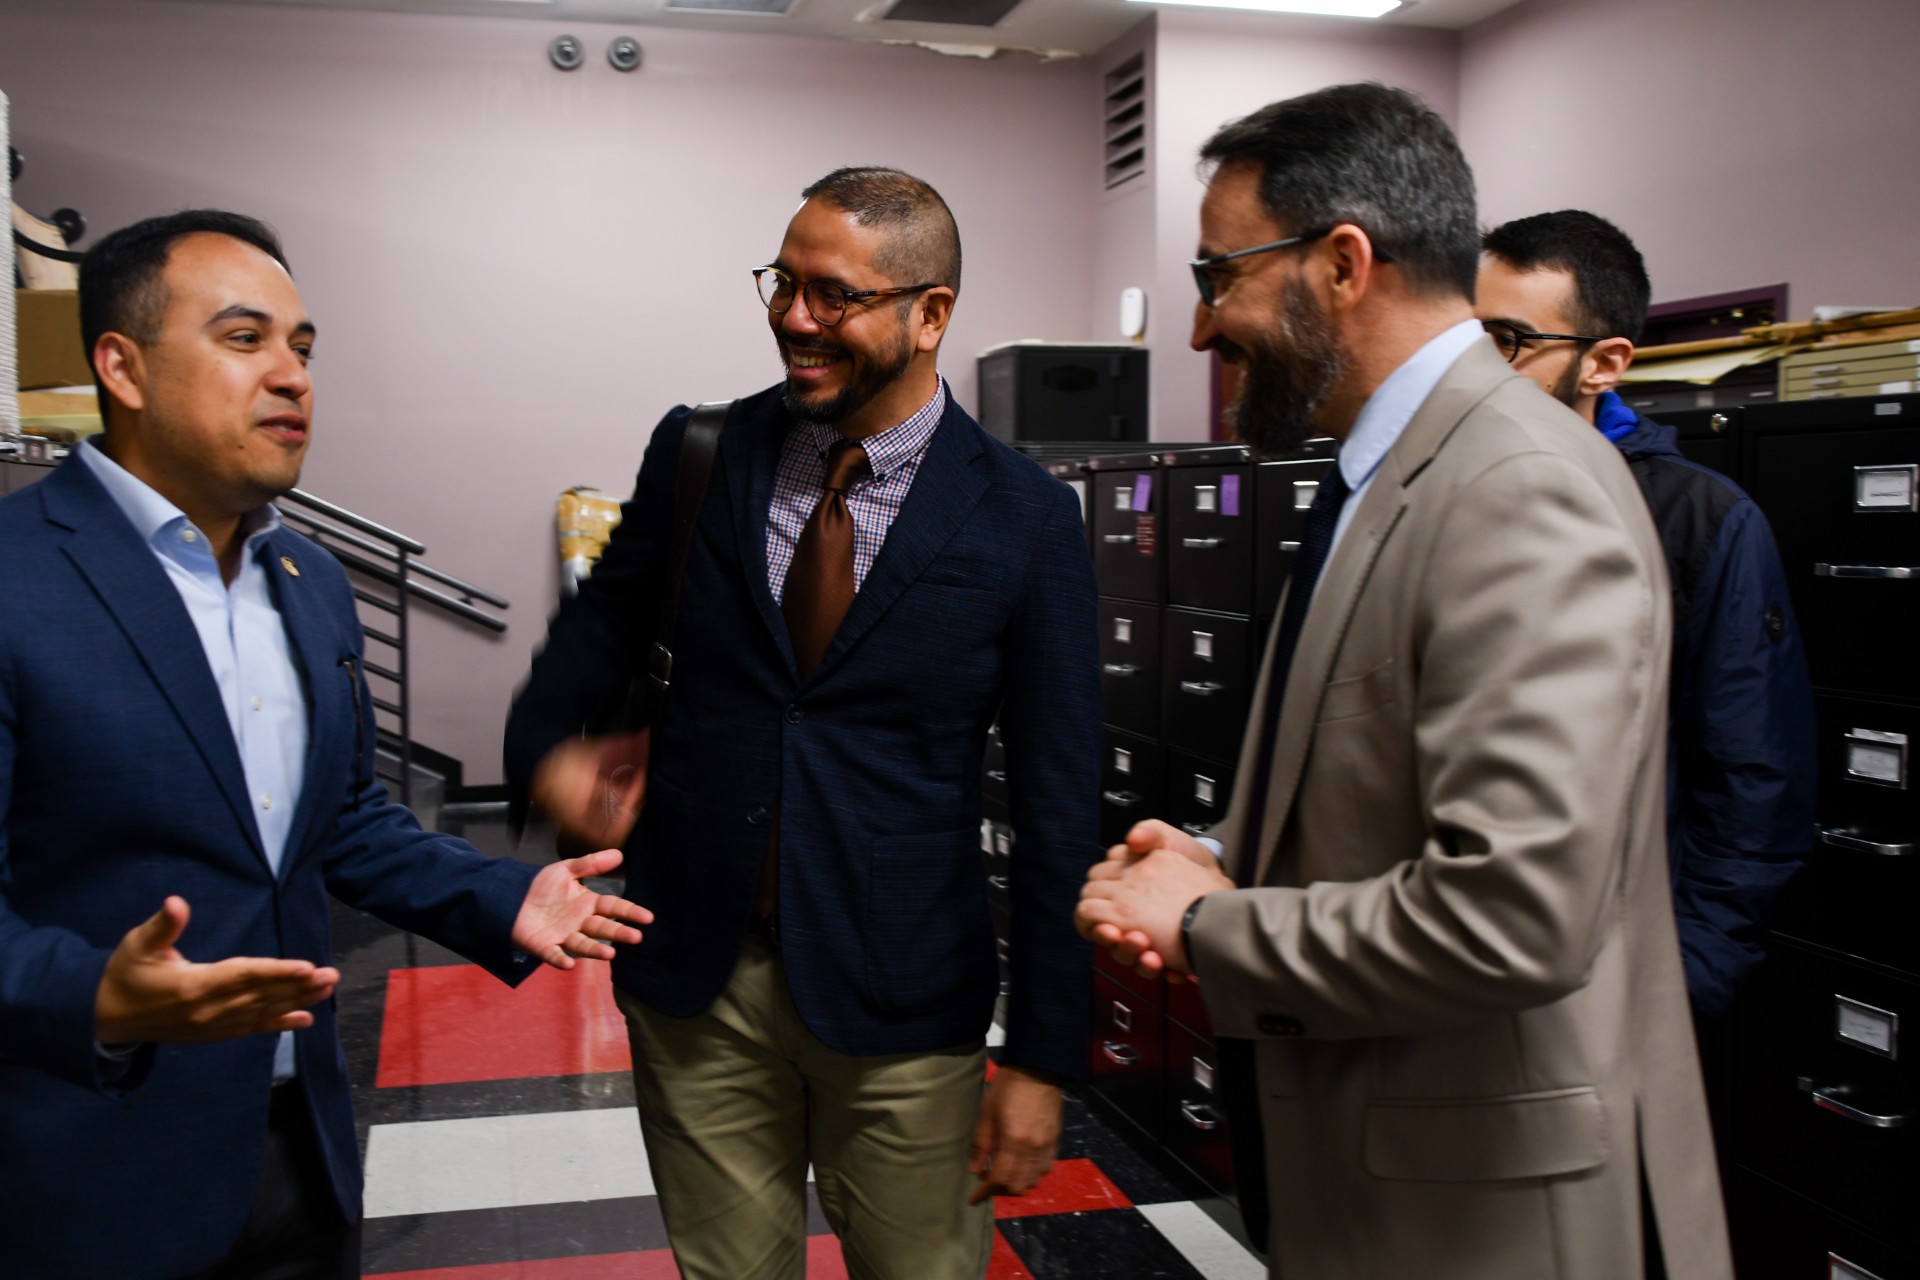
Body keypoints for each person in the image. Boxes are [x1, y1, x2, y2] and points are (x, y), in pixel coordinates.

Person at [1075, 85, 1731, 1280]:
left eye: (1219, 275)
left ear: (1341, 264)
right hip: (1388, 1178)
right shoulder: (1392, 474)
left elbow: (1515, 912)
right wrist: (1228, 850)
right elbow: (1396, 780)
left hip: (1482, 1219)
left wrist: (1212, 924)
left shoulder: (1519, 489)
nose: (1200, 330)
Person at [0, 210, 651, 1280]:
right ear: (121, 363)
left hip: (301, 1150)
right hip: (85, 1161)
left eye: (303, 347)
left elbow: (343, 819)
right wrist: (99, 997)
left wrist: (502, 895)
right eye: (245, 338)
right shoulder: (19, 575)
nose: (293, 376)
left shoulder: (309, 583)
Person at [505, 167, 1099, 1280]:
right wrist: (552, 755)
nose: (793, 319)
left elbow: (1064, 804)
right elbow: (592, 639)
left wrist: (1047, 1059)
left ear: (931, 315)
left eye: (834, 296)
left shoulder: (1025, 517)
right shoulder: (700, 452)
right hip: (697, 979)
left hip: (906, 999)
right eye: (783, 283)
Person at [1476, 209, 1815, 1019]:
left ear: (1604, 363)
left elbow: (1750, 784)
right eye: (1463, 341)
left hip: (1614, 978)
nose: (1475, 373)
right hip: (1456, 953)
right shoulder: (1442, 497)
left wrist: (1684, 980)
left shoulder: (1701, 522)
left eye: (1509, 343)